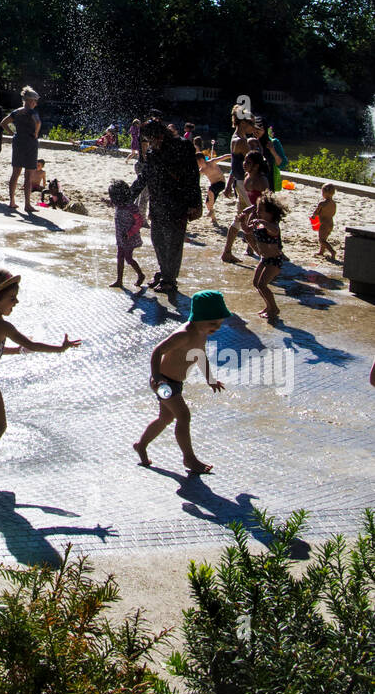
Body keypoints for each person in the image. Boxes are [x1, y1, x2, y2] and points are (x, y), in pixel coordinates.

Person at [0, 268, 81, 487]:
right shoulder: (2, 325)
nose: (15, 302)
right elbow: (32, 344)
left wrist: (16, 351)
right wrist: (60, 349)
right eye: (12, 298)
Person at [133, 290, 229, 475]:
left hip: (175, 383)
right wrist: (157, 377)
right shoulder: (184, 334)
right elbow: (157, 351)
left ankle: (141, 445)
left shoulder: (201, 332)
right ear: (199, 318)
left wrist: (211, 379)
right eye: (212, 323)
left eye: (219, 323)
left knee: (165, 418)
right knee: (183, 416)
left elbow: (200, 355)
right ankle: (189, 458)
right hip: (163, 383)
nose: (216, 327)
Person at [129, 119, 201, 294]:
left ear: (162, 135)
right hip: (158, 201)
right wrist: (128, 196)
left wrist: (195, 204)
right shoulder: (153, 151)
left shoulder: (183, 146)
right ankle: (164, 272)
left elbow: (193, 177)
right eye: (149, 141)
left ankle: (170, 280)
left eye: (153, 140)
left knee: (174, 242)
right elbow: (144, 176)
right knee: (158, 239)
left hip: (179, 201)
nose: (152, 144)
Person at [239, 193, 287, 321]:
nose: (258, 212)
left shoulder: (272, 225)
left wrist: (262, 222)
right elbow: (247, 230)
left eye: (261, 210)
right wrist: (243, 220)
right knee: (256, 283)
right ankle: (269, 306)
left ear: (271, 213)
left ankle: (274, 308)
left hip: (275, 261)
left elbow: (274, 231)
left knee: (262, 284)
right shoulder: (259, 223)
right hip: (264, 259)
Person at [221, 152, 270, 264]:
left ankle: (267, 259)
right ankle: (265, 259)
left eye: (248, 162)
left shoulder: (262, 180)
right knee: (248, 235)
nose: (244, 164)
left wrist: (251, 210)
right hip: (253, 209)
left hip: (263, 212)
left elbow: (266, 202)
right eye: (244, 161)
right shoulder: (247, 176)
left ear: (256, 166)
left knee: (259, 238)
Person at [1, 86, 42, 213]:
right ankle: (27, 205)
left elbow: (3, 123)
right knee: (28, 175)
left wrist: (11, 133)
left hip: (18, 141)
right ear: (30, 101)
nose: (36, 103)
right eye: (35, 101)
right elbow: (38, 122)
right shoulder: (32, 112)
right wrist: (35, 133)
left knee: (15, 173)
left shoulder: (16, 112)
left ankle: (12, 201)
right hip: (30, 143)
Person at [107, 180, 145, 289]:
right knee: (120, 257)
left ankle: (140, 275)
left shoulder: (131, 207)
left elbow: (139, 222)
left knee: (128, 258)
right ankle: (119, 280)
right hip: (121, 237)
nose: (112, 200)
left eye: (112, 197)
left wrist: (129, 233)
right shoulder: (119, 205)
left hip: (130, 238)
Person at [193, 138, 226, 223]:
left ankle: (211, 212)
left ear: (201, 160)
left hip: (221, 183)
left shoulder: (211, 162)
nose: (197, 164)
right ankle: (213, 218)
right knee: (208, 204)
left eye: (197, 162)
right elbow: (195, 178)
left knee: (210, 191)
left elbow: (223, 157)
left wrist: (232, 155)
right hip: (214, 185)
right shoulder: (202, 170)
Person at [312, 184, 338, 259]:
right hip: (330, 223)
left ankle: (332, 251)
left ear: (325, 193)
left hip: (324, 224)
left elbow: (316, 212)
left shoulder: (322, 204)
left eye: (322, 192)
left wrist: (313, 217)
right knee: (324, 238)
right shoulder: (333, 203)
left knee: (322, 240)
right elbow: (333, 213)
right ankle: (321, 252)